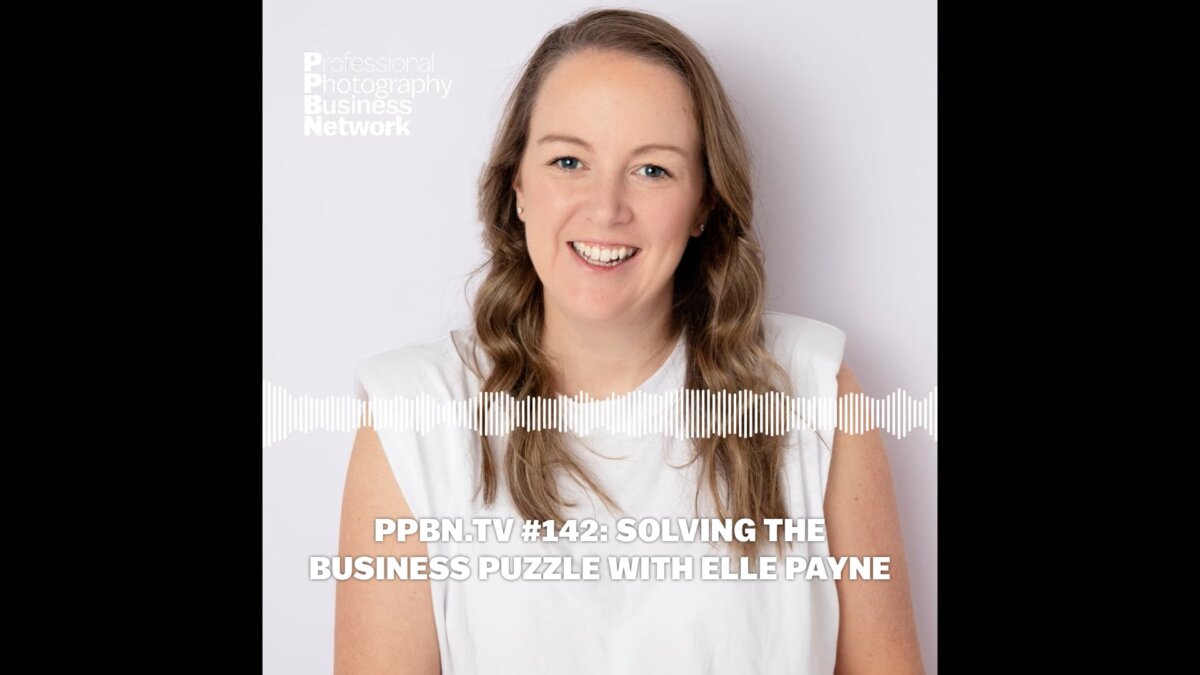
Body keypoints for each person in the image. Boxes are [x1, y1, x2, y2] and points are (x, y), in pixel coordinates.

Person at [336, 8, 923, 674]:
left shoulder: (814, 393)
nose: (606, 208)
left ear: (704, 203)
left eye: (652, 170)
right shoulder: (412, 415)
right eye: (568, 161)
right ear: (518, 185)